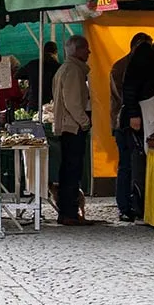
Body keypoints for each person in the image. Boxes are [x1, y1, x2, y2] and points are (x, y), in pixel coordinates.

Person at [110, 32, 153, 221]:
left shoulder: (130, 65)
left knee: (129, 164)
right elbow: (124, 95)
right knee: (127, 164)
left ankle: (132, 204)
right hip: (125, 122)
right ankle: (125, 206)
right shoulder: (124, 67)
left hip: (128, 120)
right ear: (137, 46)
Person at [53, 35, 93, 227]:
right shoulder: (74, 71)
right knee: (72, 171)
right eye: (86, 49)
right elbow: (73, 103)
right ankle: (69, 212)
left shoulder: (64, 69)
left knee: (68, 170)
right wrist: (85, 122)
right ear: (77, 51)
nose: (89, 52)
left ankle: (67, 212)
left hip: (67, 126)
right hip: (73, 127)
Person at [16, 42, 60, 111]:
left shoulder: (32, 64)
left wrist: (31, 76)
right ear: (56, 52)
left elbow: (17, 75)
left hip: (33, 102)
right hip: (50, 104)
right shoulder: (57, 66)